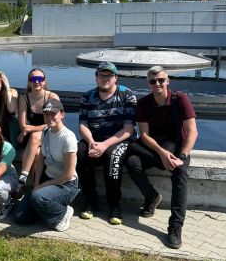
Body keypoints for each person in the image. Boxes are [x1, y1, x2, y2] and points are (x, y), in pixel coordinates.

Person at [125, 65, 198, 249]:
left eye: (161, 80)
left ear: (167, 81)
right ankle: (151, 197)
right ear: (148, 84)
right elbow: (144, 135)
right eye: (153, 81)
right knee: (132, 161)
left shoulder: (180, 99)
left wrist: (182, 156)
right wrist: (162, 153)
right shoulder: (143, 103)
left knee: (180, 173)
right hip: (154, 148)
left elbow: (192, 132)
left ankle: (175, 226)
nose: (157, 84)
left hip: (177, 148)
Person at [76, 62, 137, 225]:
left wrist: (104, 145)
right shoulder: (87, 97)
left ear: (115, 78)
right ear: (96, 77)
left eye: (109, 75)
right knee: (78, 153)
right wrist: (91, 142)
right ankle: (91, 200)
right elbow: (83, 125)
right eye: (102, 75)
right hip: (95, 138)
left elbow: (129, 129)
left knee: (112, 157)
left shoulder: (127, 95)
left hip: (120, 139)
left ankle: (114, 205)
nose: (105, 78)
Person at [13, 99, 79, 232]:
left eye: (53, 114)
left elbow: (68, 175)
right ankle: (46, 210)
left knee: (38, 197)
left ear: (62, 114)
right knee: (20, 217)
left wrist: (42, 187)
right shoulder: (46, 131)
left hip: (66, 185)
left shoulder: (68, 138)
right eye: (46, 114)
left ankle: (63, 213)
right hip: (47, 178)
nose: (49, 118)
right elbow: (41, 158)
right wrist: (36, 183)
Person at [17, 68, 59, 190]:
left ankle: (23, 178)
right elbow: (22, 125)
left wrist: (29, 129)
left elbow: (54, 123)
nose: (36, 82)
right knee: (36, 153)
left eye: (40, 79)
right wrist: (27, 129)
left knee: (35, 136)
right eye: (33, 79)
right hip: (29, 139)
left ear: (44, 81)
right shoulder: (24, 98)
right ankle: (35, 186)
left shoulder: (52, 97)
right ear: (29, 82)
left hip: (50, 135)